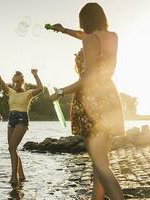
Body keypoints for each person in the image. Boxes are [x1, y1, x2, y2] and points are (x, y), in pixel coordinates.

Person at [49, 3, 125, 200]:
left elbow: (89, 79)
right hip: (109, 96)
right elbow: (87, 38)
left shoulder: (90, 40)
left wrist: (60, 92)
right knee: (99, 163)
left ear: (85, 20)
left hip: (93, 101)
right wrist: (64, 30)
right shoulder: (112, 37)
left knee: (101, 165)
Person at [0, 54, 43, 184]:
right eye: (14, 81)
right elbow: (0, 80)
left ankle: (14, 177)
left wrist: (35, 75)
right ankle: (21, 175)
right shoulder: (10, 92)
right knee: (13, 148)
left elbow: (41, 88)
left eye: (18, 81)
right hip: (11, 119)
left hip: (22, 120)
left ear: (22, 81)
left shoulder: (28, 93)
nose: (15, 83)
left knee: (12, 148)